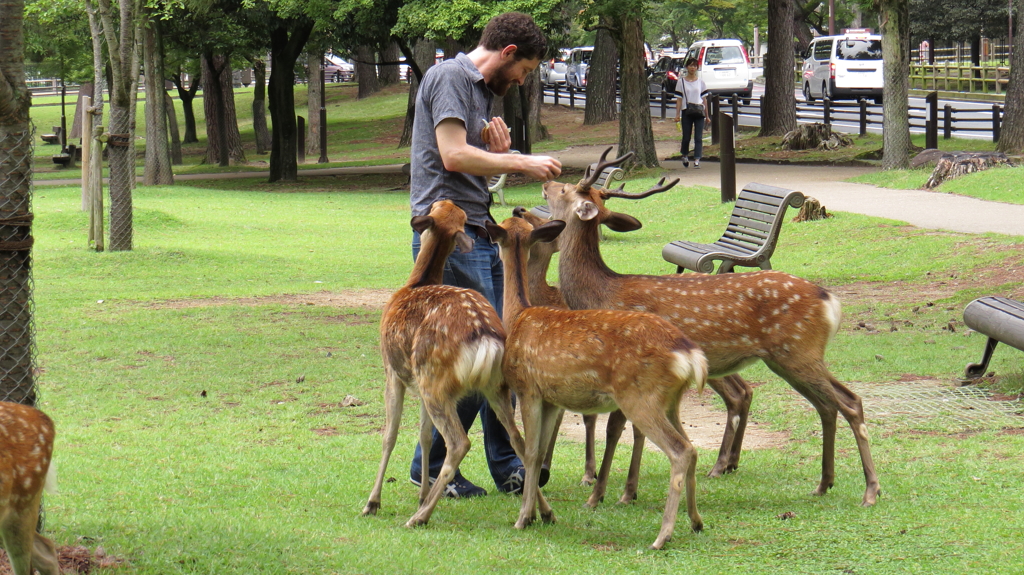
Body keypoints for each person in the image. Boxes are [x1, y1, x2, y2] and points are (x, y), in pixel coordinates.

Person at [407, 11, 562, 498]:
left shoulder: (481, 92)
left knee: (502, 352)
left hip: (479, 231)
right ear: (508, 52)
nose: (521, 81)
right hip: (451, 239)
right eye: (524, 70)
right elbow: (452, 155)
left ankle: (508, 464)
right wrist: (518, 160)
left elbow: (468, 166)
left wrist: (496, 156)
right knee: (477, 356)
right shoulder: (450, 78)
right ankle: (431, 465)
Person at [674, 57, 710, 168]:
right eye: (690, 65)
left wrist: (707, 116)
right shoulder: (681, 82)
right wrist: (677, 114)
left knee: (698, 137)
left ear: (697, 67)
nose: (692, 68)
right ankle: (685, 154)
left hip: (699, 111)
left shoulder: (701, 82)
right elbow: (679, 99)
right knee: (686, 136)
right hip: (686, 111)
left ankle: (697, 158)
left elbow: (704, 99)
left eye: (694, 66)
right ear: (687, 67)